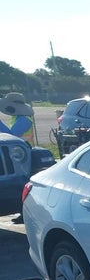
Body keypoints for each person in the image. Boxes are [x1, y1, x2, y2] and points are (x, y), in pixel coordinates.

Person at [0, 93, 35, 223]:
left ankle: (24, 213)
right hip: (19, 153)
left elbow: (11, 135)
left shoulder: (24, 120)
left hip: (24, 153)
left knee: (24, 184)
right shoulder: (18, 118)